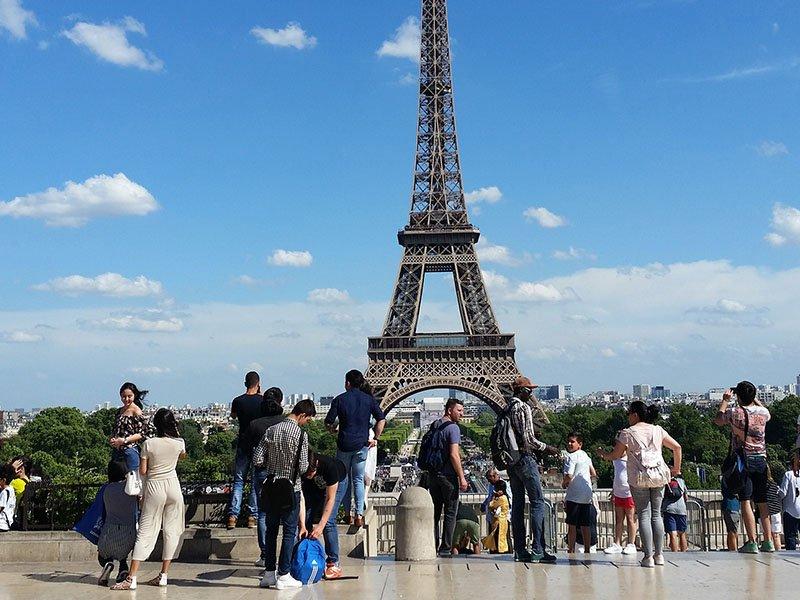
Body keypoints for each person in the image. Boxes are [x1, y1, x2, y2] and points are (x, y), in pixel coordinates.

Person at [597, 401, 682, 568]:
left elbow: (616, 455)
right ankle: (659, 555)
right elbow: (677, 447)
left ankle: (648, 556)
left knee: (643, 515)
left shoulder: (627, 433)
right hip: (658, 476)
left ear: (635, 414)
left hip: (639, 477)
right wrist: (675, 469)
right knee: (657, 515)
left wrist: (603, 455)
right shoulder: (658, 430)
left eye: (629, 413)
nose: (628, 416)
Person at [112, 409, 186, 590]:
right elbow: (182, 456)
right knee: (172, 530)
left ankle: (132, 578)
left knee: (146, 530)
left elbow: (143, 471)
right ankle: (163, 575)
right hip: (173, 486)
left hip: (155, 486)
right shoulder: (179, 443)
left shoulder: (149, 443)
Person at [253, 399, 315, 590]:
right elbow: (304, 466)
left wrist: (273, 465)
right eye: (308, 419)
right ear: (302, 415)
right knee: (289, 532)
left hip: (271, 486)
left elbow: (257, 459)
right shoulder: (300, 434)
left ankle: (269, 573)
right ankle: (284, 574)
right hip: (291, 488)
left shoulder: (271, 430)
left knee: (271, 531)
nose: (306, 423)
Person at [712, 381, 773, 553]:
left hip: (742, 460)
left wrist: (725, 400)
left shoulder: (735, 412)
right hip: (761, 459)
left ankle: (752, 541)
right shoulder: (763, 412)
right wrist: (755, 400)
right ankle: (768, 541)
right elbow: (767, 413)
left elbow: (718, 420)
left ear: (738, 396)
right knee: (762, 500)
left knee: (746, 500)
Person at [507, 375, 559, 563]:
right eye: (529, 390)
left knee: (518, 505)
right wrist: (549, 448)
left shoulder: (508, 407)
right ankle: (538, 550)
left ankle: (520, 550)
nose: (531, 393)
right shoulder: (522, 407)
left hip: (512, 462)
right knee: (537, 502)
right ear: (521, 391)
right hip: (526, 459)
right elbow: (529, 440)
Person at [324, 369, 386, 528]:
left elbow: (329, 422)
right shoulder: (368, 400)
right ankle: (359, 514)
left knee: (343, 480)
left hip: (344, 445)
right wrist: (375, 439)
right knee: (358, 480)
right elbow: (381, 419)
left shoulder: (339, 399)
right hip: (362, 445)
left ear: (347, 383)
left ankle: (346, 514)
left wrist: (333, 430)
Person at [242, 387, 286, 568]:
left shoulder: (255, 425)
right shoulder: (285, 423)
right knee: (286, 512)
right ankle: (284, 554)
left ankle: (266, 554)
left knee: (262, 513)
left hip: (261, 471)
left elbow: (247, 448)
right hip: (283, 472)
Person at [426, 397, 469, 557]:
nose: (462, 414)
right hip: (448, 476)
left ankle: (432, 544)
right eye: (459, 410)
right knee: (450, 513)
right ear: (449, 410)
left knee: (435, 513)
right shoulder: (453, 428)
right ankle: (445, 548)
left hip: (433, 475)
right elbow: (454, 455)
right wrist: (462, 477)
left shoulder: (435, 424)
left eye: (463, 411)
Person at [299, 450, 346, 579]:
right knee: (306, 519)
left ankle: (333, 562)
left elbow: (330, 499)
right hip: (312, 489)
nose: (308, 475)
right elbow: (301, 499)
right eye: (306, 474)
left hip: (338, 480)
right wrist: (302, 524)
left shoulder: (329, 466)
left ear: (317, 465)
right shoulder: (300, 469)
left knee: (329, 522)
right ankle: (305, 556)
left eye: (311, 473)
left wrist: (320, 526)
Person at [227, 371, 263, 530]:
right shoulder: (262, 401)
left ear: (245, 384)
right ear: (258, 383)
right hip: (258, 444)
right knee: (256, 482)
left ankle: (232, 516)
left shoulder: (238, 401)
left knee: (239, 481)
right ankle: (252, 516)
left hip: (243, 444)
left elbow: (233, 416)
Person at [97, 460, 138, 587]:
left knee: (103, 556)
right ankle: (123, 569)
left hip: (109, 532)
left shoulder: (107, 489)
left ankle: (107, 563)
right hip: (129, 534)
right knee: (123, 555)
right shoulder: (130, 490)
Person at [562, 433, 596, 554]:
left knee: (572, 525)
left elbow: (569, 475)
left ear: (579, 444)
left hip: (574, 494)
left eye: (572, 442)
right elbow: (593, 473)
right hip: (586, 495)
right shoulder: (586, 456)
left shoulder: (570, 457)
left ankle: (571, 550)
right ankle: (587, 549)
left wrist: (564, 483)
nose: (570, 444)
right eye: (569, 442)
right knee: (585, 525)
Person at [109, 382, 150, 473]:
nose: (126, 399)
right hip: (117, 451)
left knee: (132, 480)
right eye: (124, 397)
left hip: (130, 451)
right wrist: (113, 439)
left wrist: (124, 440)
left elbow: (142, 433)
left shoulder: (136, 411)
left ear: (134, 396)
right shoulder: (119, 411)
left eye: (129, 396)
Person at [601, 455, 637, 555]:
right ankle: (617, 543)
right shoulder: (615, 459)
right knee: (618, 519)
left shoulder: (631, 458)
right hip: (618, 492)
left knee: (630, 519)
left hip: (629, 492)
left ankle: (631, 543)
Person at [778, 448, 800, 551]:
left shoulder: (788, 475)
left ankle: (791, 555)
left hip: (790, 510)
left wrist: (777, 492)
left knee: (791, 536)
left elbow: (783, 493)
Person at [483, 480, 511, 554]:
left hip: (499, 521)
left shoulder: (501, 498)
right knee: (502, 538)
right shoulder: (505, 497)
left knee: (498, 538)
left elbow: (491, 505)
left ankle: (499, 551)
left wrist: (493, 497)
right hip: (504, 520)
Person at [662, 473, 688, 552]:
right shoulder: (681, 481)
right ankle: (684, 553)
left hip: (669, 509)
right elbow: (686, 496)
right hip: (681, 509)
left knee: (672, 534)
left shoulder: (665, 481)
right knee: (682, 533)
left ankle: (675, 555)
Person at [721, 478, 741, 551]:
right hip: (733, 506)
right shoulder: (731, 479)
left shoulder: (726, 479)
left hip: (730, 506)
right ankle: (734, 549)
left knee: (731, 531)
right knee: (733, 531)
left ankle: (732, 549)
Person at [0, 463, 16, 532]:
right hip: (8, 523)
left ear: (4, 480)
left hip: (2, 523)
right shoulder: (11, 489)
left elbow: (1, 507)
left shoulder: (4, 492)